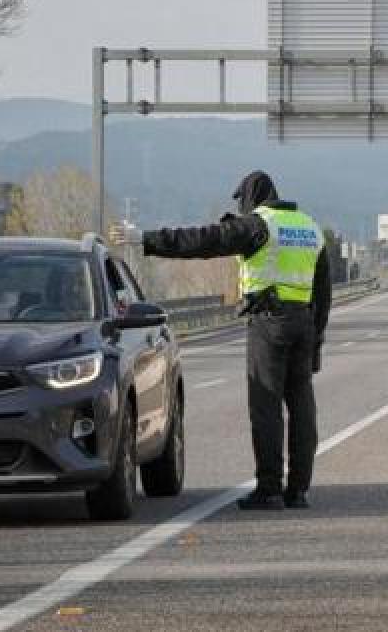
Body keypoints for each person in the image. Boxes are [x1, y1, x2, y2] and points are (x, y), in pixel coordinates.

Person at [110, 170, 331, 510]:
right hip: (303, 323)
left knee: (266, 407)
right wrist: (315, 342)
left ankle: (269, 489)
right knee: (302, 408)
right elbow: (324, 293)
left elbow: (205, 240)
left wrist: (145, 239)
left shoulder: (259, 225)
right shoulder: (309, 226)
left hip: (268, 322)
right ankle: (299, 490)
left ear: (250, 198)